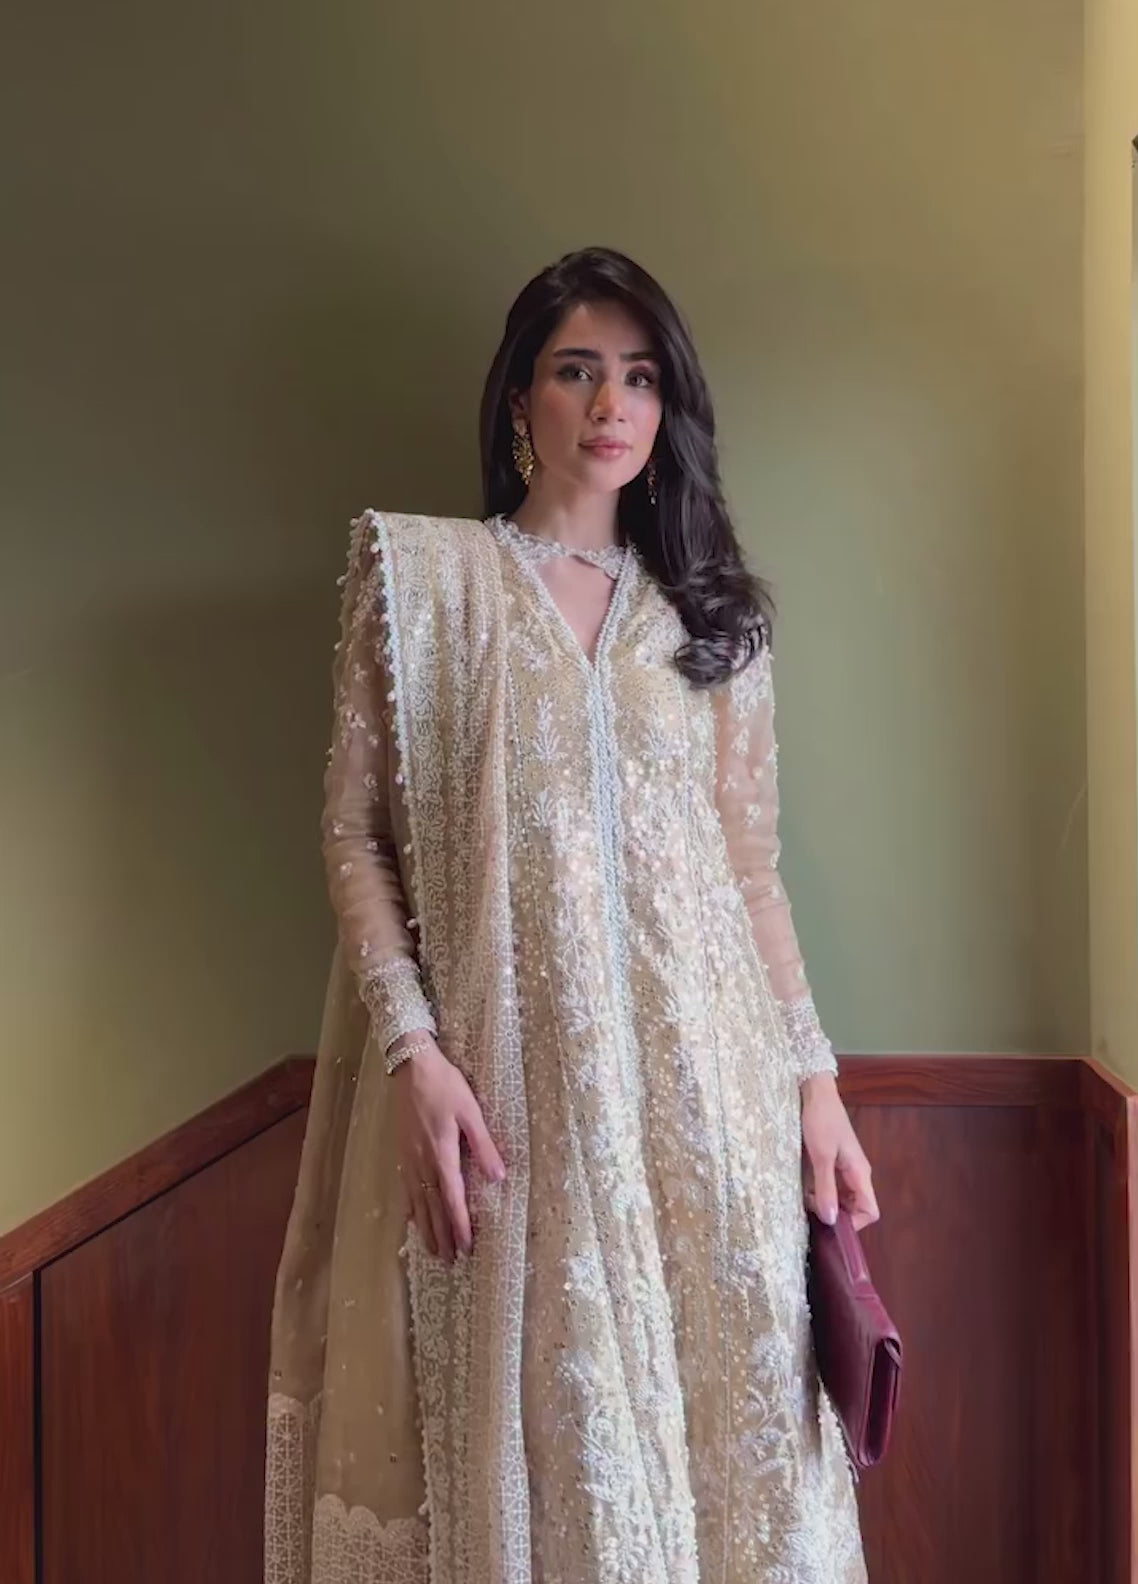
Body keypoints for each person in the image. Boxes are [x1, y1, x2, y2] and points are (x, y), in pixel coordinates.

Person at [265, 245, 879, 1584]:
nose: (611, 404)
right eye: (577, 371)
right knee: (556, 1461)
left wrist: (814, 1084)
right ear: (518, 400)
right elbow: (355, 834)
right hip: (524, 1103)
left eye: (641, 378)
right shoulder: (427, 585)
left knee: (741, 1462)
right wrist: (416, 1053)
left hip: (708, 1104)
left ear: (668, 410)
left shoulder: (712, 621)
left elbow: (749, 870)